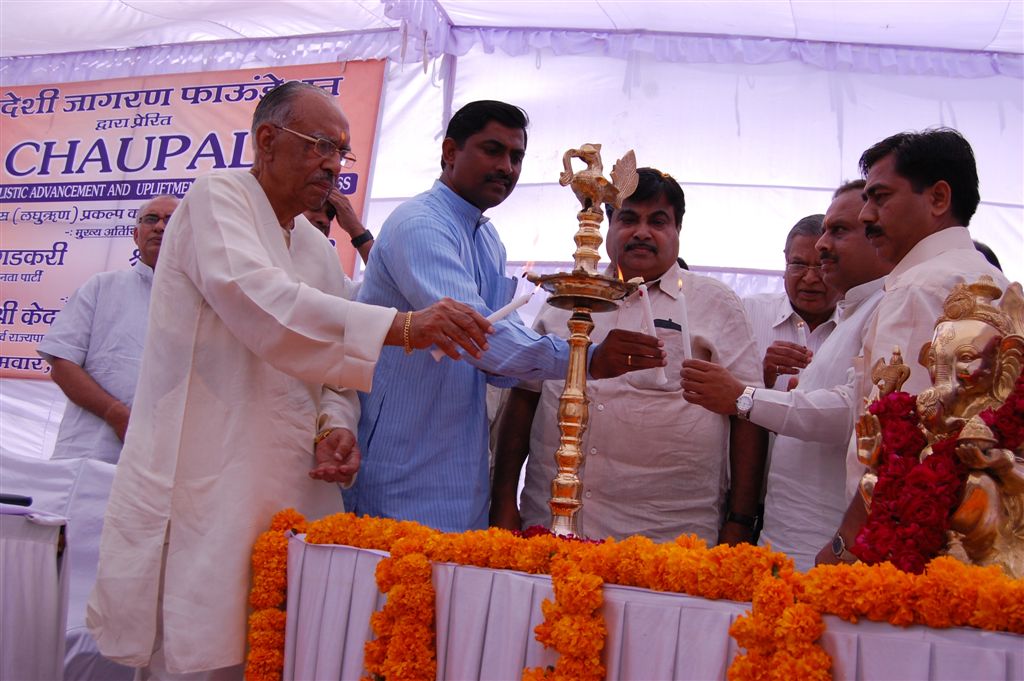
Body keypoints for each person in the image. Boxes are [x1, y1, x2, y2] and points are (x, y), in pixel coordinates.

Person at [87, 81, 494, 679]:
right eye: (320, 145)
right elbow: (262, 302)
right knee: (202, 647)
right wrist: (403, 326)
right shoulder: (217, 199)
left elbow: (334, 367)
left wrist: (337, 426)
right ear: (268, 141)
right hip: (212, 473)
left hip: (297, 483)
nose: (333, 165)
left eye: (342, 152)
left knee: (289, 644)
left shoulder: (312, 244)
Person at [346, 100, 664, 533]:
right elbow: (482, 341)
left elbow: (498, 357)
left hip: (462, 464)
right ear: (450, 152)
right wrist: (583, 359)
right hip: (401, 462)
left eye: (516, 157)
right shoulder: (420, 225)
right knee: (396, 593)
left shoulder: (488, 238)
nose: (506, 167)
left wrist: (577, 353)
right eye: (493, 150)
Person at [490, 168, 766, 545]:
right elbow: (524, 397)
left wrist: (740, 520)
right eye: (629, 218)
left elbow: (747, 413)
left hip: (666, 532)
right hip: (553, 520)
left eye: (658, 221)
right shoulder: (568, 296)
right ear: (608, 226)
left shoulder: (715, 303)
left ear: (678, 231)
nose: (641, 232)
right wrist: (504, 498)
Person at [816, 127, 1008, 565]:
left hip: (905, 547)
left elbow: (900, 443)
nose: (866, 216)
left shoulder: (918, 288)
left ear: (938, 198)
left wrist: (844, 545)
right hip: (978, 541)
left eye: (880, 197)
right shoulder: (996, 283)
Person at [681, 180, 893, 569]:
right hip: (766, 520)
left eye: (838, 232)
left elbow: (851, 412)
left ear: (878, 234)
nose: (814, 270)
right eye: (799, 264)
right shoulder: (745, 312)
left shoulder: (883, 309)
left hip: (822, 542)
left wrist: (746, 396)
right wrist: (758, 382)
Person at [37, 195, 178, 463]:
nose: (160, 227)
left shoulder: (202, 302)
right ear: (136, 235)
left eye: (171, 221)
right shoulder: (102, 287)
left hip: (164, 457)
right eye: (151, 219)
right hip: (90, 450)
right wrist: (116, 414)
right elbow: (62, 364)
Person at [743, 215, 840, 390]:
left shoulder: (860, 326)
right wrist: (761, 377)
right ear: (785, 264)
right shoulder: (746, 313)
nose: (810, 278)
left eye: (821, 266)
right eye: (798, 264)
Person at [302, 187, 374, 263]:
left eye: (330, 215)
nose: (325, 221)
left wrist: (355, 229)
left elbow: (382, 272)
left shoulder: (326, 269)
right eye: (315, 207)